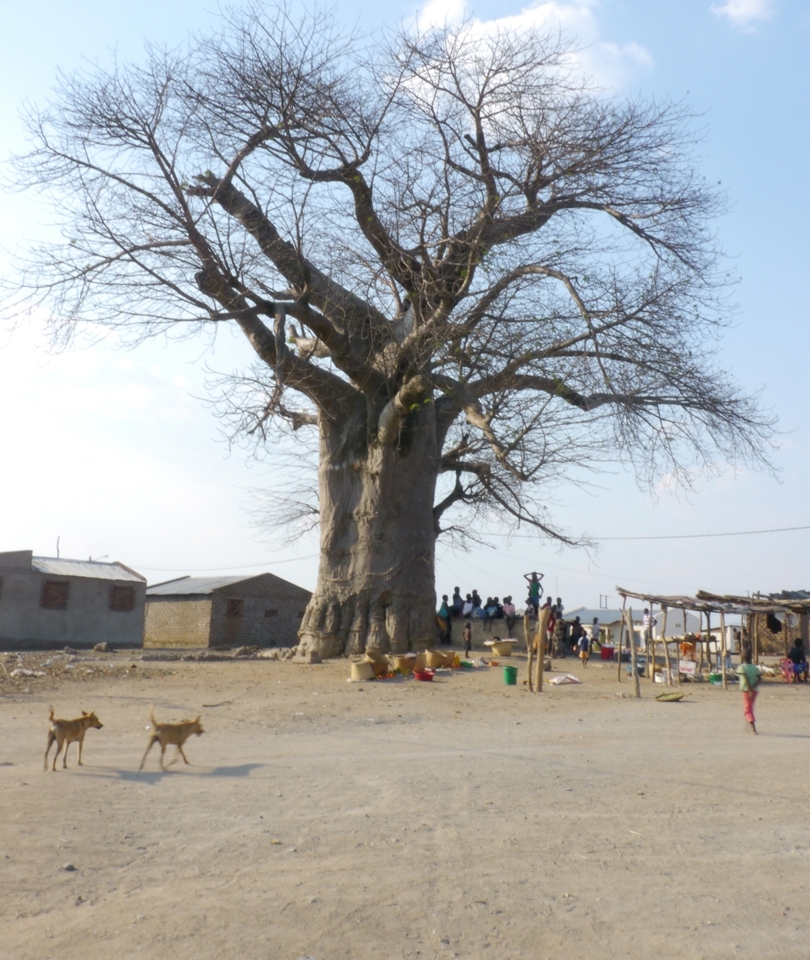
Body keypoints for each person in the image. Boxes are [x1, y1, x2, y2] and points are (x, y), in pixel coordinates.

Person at [736, 646, 762, 734]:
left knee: (748, 710)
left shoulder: (741, 667)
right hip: (755, 690)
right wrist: (753, 686)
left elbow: (744, 676)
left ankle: (753, 728)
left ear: (742, 657)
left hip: (747, 691)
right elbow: (759, 678)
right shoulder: (754, 667)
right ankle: (747, 726)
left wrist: (749, 688)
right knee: (749, 707)